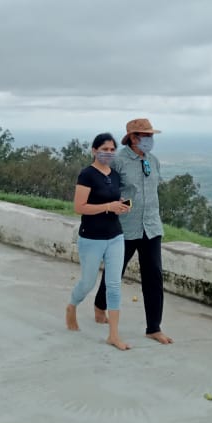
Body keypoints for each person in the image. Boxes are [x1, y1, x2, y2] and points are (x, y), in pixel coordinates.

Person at [95, 118, 174, 344]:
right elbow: (103, 186)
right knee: (115, 271)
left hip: (151, 226)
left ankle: (154, 328)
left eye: (151, 136)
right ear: (132, 137)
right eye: (145, 135)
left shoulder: (153, 161)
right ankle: (100, 305)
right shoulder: (117, 161)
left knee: (154, 277)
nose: (150, 140)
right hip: (125, 226)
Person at [66, 133, 132, 350]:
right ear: (94, 150)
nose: (109, 153)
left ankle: (113, 335)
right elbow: (79, 207)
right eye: (105, 149)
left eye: (113, 149)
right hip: (92, 238)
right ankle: (72, 306)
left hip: (115, 236)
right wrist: (107, 207)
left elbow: (112, 200)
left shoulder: (114, 175)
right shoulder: (87, 175)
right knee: (88, 282)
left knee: (114, 285)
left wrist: (120, 206)